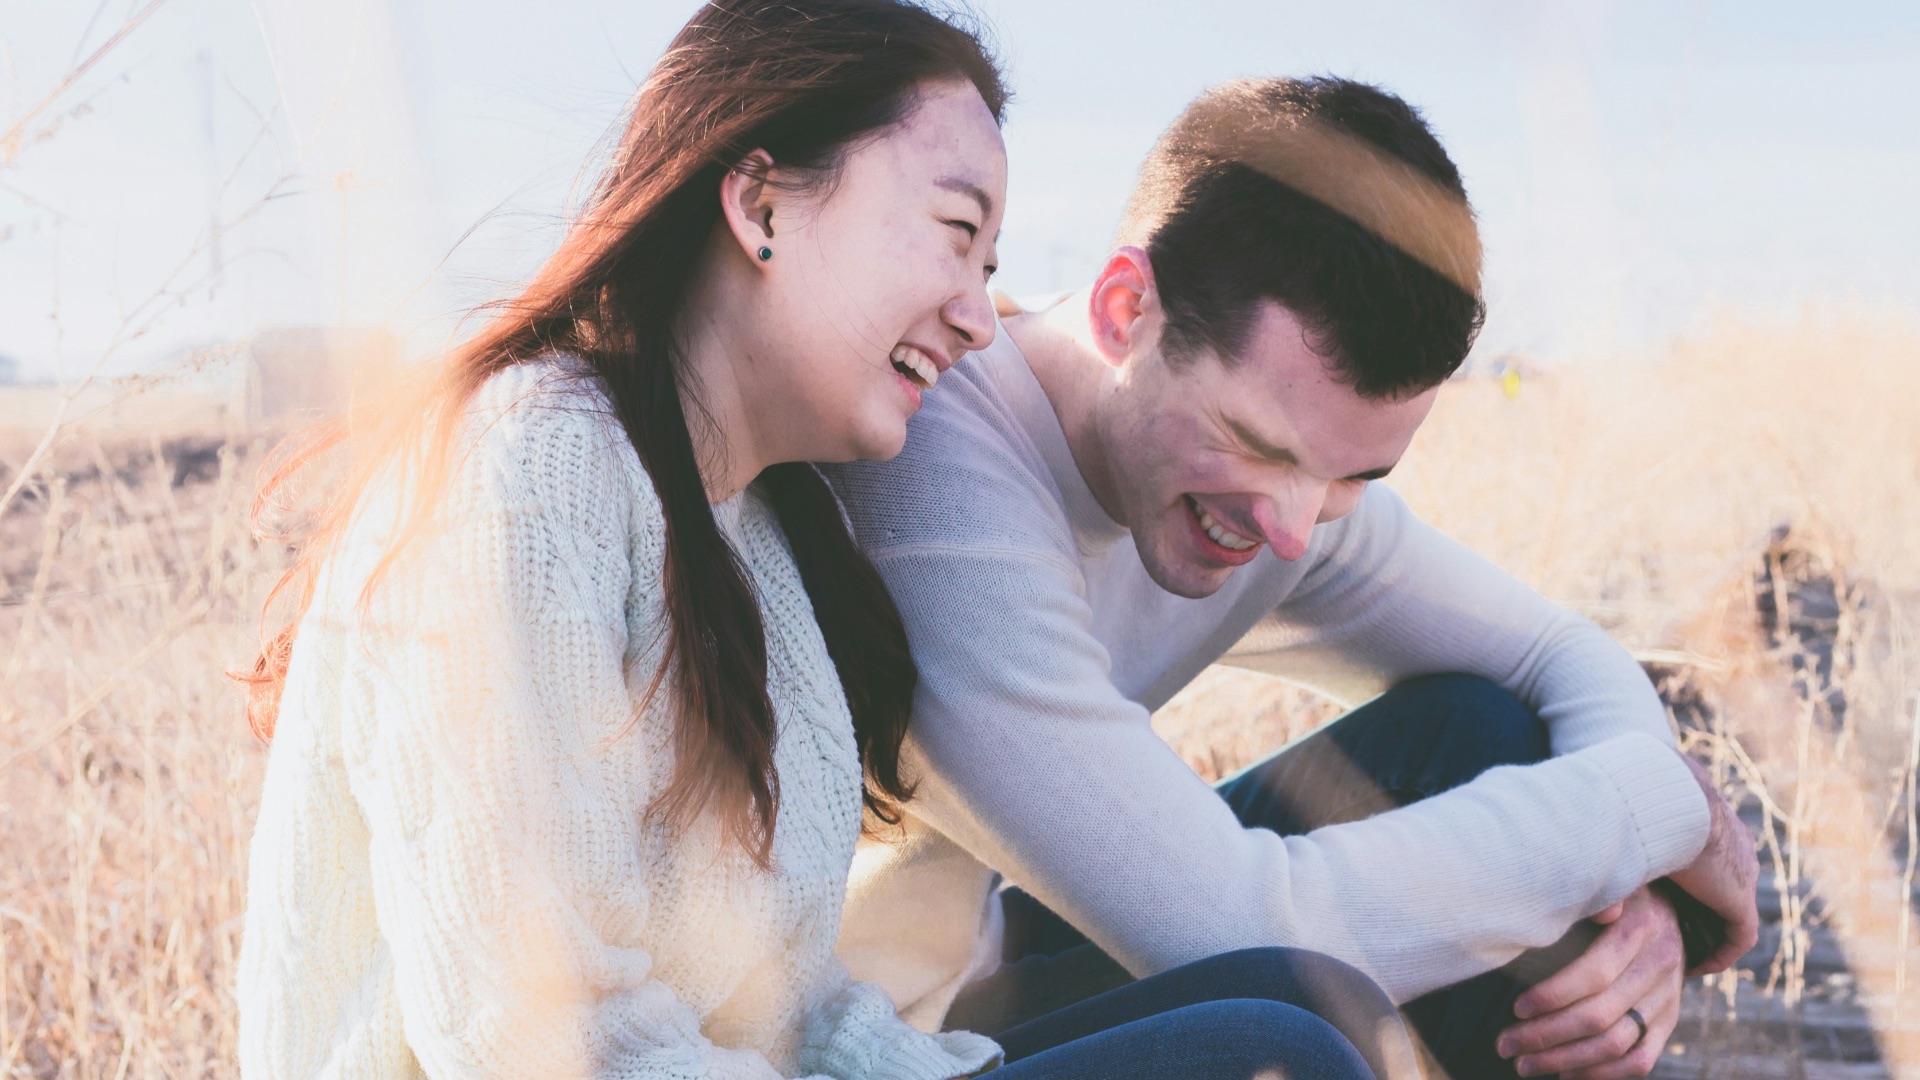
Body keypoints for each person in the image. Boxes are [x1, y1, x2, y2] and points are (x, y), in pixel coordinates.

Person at [234, 4, 1400, 1078]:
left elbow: (792, 1012)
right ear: (760, 205)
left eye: (990, 269)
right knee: (1276, 1052)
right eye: (952, 233)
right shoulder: (532, 473)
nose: (976, 313)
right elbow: (535, 1038)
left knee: (1301, 1000)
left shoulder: (759, 535)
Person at [822, 76, 1761, 1080]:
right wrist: (1656, 815)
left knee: (1483, 732)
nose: (1291, 528)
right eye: (1253, 444)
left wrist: (1637, 900)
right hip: (867, 1041)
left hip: (985, 965)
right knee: (1300, 1031)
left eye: (1356, 474)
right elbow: (1239, 931)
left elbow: (1556, 650)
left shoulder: (1278, 493)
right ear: (1125, 309)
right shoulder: (935, 480)